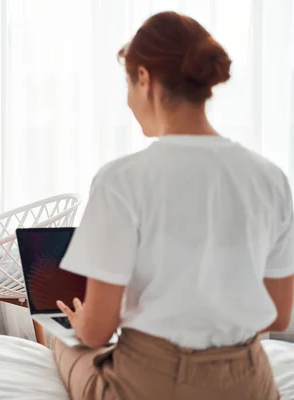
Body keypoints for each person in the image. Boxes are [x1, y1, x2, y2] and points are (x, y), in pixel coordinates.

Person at [54, 11, 293, 400]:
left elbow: (98, 330)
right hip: (251, 379)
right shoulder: (271, 178)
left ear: (144, 79)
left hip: (156, 380)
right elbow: (280, 315)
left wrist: (82, 325)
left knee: (66, 343)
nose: (129, 100)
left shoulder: (122, 179)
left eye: (128, 84)